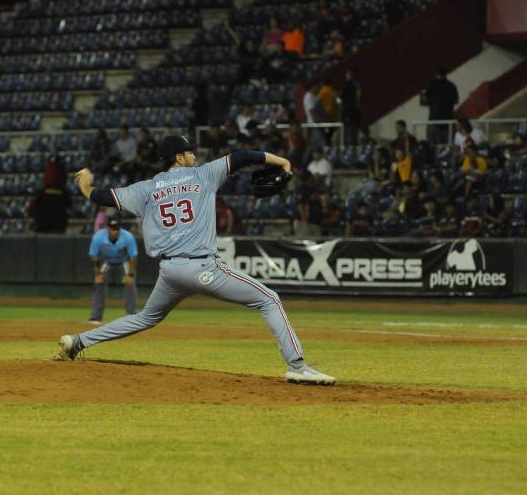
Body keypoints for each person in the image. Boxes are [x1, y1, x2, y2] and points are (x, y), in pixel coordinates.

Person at [58, 135, 336, 385]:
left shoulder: (147, 188)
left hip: (170, 272)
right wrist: (282, 161)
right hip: (203, 267)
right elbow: (243, 157)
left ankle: (78, 341)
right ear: (179, 157)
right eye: (189, 151)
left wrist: (86, 186)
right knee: (269, 299)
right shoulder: (203, 175)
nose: (194, 154)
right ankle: (298, 366)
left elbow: (103, 197)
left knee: (145, 318)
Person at [87, 218, 139, 326]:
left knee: (130, 283)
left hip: (123, 261)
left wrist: (130, 275)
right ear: (107, 228)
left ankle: (132, 315)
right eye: (112, 229)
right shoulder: (98, 237)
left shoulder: (128, 237)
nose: (115, 231)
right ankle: (95, 317)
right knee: (98, 283)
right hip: (107, 262)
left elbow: (133, 257)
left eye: (117, 229)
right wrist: (98, 274)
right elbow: (94, 257)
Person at [27, 159, 70, 233]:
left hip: (44, 226)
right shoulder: (64, 193)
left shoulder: (42, 193)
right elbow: (70, 207)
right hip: (57, 227)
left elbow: (31, 209)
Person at [423, 67, 459, 145]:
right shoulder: (451, 86)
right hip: (447, 123)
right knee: (446, 148)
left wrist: (434, 102)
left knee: (432, 148)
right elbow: (456, 101)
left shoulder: (431, 85)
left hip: (433, 121)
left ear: (436, 74)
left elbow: (425, 99)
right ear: (446, 74)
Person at [340, 69, 361, 146]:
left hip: (348, 113)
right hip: (354, 112)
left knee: (349, 133)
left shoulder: (347, 85)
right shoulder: (356, 85)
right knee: (354, 133)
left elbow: (342, 97)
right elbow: (358, 97)